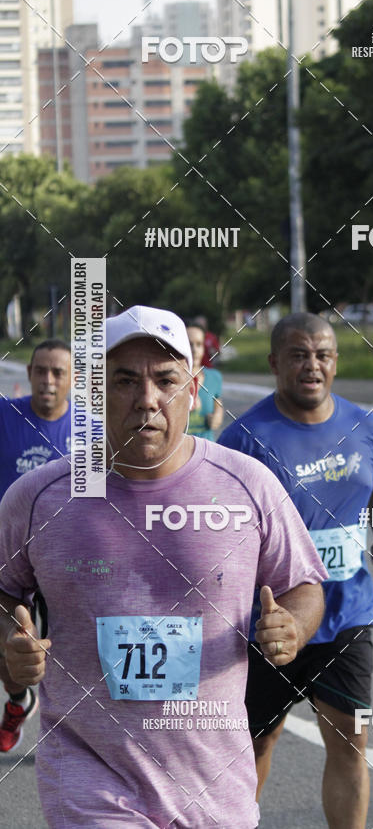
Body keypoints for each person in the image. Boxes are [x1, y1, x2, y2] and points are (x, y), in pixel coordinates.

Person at [0, 305, 327, 828]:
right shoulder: (39, 497)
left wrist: (293, 626)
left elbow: (303, 585)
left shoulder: (247, 485)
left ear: (193, 390)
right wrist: (9, 645)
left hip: (214, 779)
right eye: (125, 380)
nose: (147, 399)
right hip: (90, 771)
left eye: (166, 380)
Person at [219, 312, 373, 829]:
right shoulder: (244, 438)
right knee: (256, 743)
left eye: (322, 355)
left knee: (351, 741)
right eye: (299, 355)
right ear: (274, 362)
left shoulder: (366, 426)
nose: (312, 365)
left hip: (347, 616)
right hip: (269, 623)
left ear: (336, 362)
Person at [0, 338, 71, 753]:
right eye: (41, 371)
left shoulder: (90, 431)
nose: (48, 380)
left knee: (72, 652)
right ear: (28, 374)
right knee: (9, 644)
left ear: (72, 379)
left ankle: (75, 734)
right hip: (9, 556)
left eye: (58, 372)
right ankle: (19, 699)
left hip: (66, 556)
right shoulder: (6, 416)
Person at [185, 323, 223, 441]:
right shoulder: (169, 380)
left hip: (207, 448)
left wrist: (218, 415)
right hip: (179, 450)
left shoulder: (214, 377)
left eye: (199, 344)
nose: (194, 350)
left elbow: (217, 402)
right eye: (189, 344)